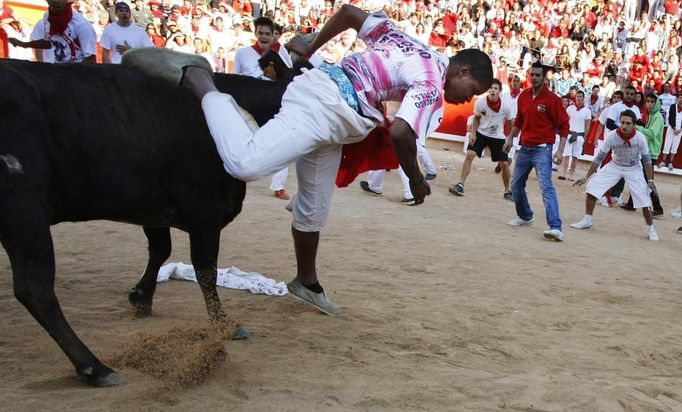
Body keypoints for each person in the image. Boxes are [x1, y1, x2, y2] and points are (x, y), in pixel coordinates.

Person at [123, 5, 493, 315]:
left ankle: (306, 282)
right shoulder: (432, 83)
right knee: (245, 164)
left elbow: (348, 12)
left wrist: (310, 48)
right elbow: (400, 132)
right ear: (463, 72)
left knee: (313, 209)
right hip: (325, 106)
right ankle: (198, 78)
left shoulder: (405, 38)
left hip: (335, 111)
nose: (465, 100)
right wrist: (415, 180)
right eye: (471, 91)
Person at [503, 61, 569, 242]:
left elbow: (564, 126)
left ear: (544, 77)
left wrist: (560, 151)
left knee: (546, 187)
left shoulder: (553, 100)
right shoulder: (524, 95)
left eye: (538, 75)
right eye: (532, 74)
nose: (534, 78)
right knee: (515, 185)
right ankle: (525, 216)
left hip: (543, 149)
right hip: (524, 147)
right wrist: (510, 138)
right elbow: (519, 120)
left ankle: (556, 227)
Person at [570, 110, 660, 241]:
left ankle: (651, 229)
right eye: (622, 122)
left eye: (628, 123)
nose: (624, 126)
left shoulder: (640, 138)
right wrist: (586, 176)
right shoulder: (612, 136)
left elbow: (646, 160)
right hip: (615, 165)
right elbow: (599, 157)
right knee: (592, 188)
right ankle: (587, 220)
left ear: (634, 125)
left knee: (644, 200)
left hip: (634, 168)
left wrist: (650, 180)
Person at [233, 18, 294, 200]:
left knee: (282, 141)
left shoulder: (282, 53)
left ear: (273, 34)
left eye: (267, 33)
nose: (264, 37)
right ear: (255, 33)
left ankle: (279, 185)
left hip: (274, 104)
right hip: (248, 106)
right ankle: (234, 177)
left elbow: (288, 78)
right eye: (261, 33)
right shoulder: (243, 54)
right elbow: (235, 79)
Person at [449, 79, 513, 200]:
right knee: (469, 155)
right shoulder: (480, 103)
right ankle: (460, 184)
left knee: (504, 164)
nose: (493, 90)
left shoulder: (506, 106)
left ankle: (507, 190)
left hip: (497, 136)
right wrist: (473, 133)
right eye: (491, 88)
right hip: (482, 133)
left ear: (500, 92)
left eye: (496, 88)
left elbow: (510, 122)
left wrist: (509, 139)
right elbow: (476, 118)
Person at [8, 0, 96, 63]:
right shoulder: (47, 17)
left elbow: (91, 59)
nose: (55, 1)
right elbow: (49, 43)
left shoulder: (81, 25)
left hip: (75, 76)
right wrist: (23, 44)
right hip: (56, 73)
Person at [621, 94, 664, 216]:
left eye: (651, 102)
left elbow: (651, 134)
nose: (649, 104)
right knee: (640, 177)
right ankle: (632, 204)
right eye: (648, 101)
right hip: (647, 152)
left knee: (646, 179)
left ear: (656, 103)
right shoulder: (652, 116)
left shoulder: (658, 117)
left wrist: (638, 128)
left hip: (651, 153)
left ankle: (658, 207)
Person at [558, 90, 591, 181]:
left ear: (583, 98)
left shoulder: (587, 111)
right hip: (569, 133)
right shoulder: (570, 108)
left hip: (580, 135)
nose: (578, 98)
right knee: (566, 155)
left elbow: (588, 124)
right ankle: (564, 173)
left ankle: (571, 175)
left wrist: (585, 136)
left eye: (580, 96)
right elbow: (565, 121)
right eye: (577, 96)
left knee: (575, 157)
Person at [658, 93, 682, 170]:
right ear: (677, 99)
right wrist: (674, 128)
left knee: (675, 145)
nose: (681, 99)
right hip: (672, 128)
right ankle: (663, 161)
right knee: (667, 144)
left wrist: (680, 129)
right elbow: (670, 118)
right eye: (680, 97)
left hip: (680, 130)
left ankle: (670, 162)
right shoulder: (672, 106)